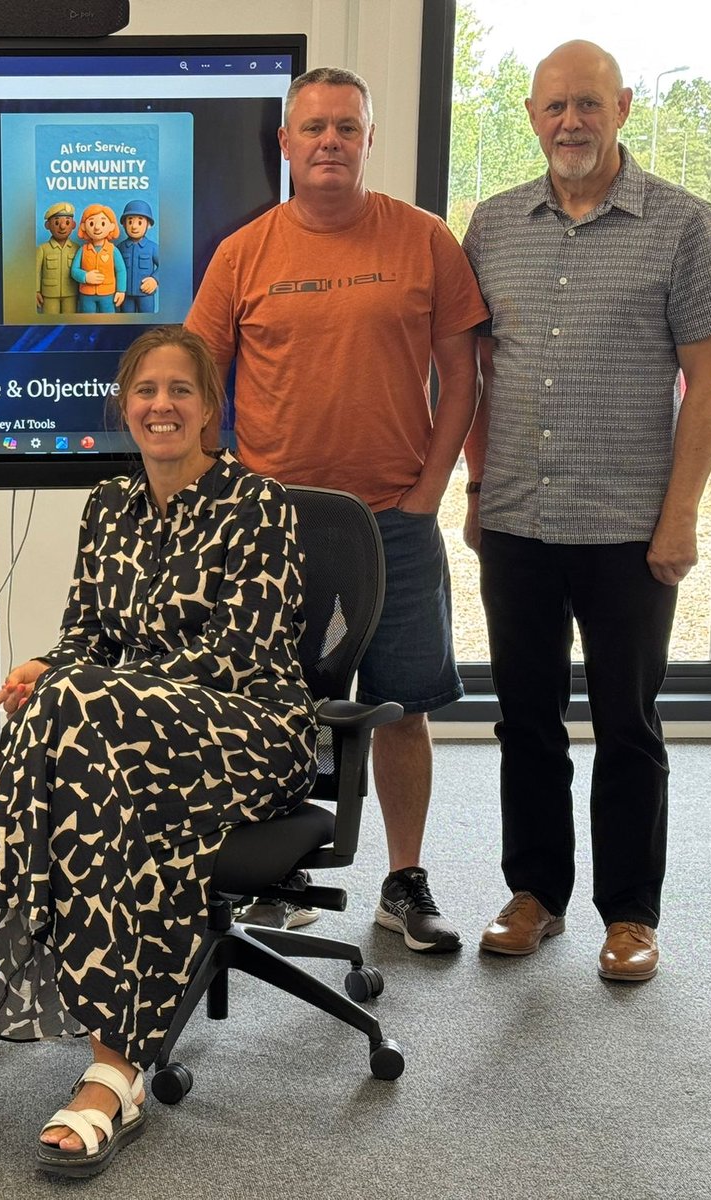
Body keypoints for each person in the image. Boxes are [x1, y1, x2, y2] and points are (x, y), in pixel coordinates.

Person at [0, 326, 316, 1179]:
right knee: (77, 728)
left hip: (247, 728)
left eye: (180, 391)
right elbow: (87, 635)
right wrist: (50, 667)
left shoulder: (257, 505)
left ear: (209, 409)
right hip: (121, 738)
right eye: (146, 391)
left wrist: (89, 689)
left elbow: (241, 655)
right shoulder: (110, 505)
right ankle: (114, 1071)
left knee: (78, 707)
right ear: (124, 406)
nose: (162, 406)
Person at [185, 66, 487, 953]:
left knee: (401, 708)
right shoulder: (245, 253)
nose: (329, 141)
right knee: (272, 707)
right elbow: (196, 384)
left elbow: (463, 377)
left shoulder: (424, 240)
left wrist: (432, 489)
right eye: (312, 127)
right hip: (278, 529)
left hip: (395, 517)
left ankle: (404, 881)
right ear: (284, 142)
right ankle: (279, 882)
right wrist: (218, 497)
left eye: (346, 127)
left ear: (366, 139)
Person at [461, 41, 711, 982]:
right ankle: (535, 894)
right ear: (532, 117)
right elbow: (475, 373)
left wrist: (682, 516)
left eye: (588, 104)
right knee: (524, 718)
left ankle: (632, 914)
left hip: (630, 525)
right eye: (554, 108)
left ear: (621, 106)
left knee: (628, 721)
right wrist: (476, 486)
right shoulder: (493, 224)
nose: (570, 122)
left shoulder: (680, 223)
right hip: (517, 519)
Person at [71, 202, 124, 313]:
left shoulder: (113, 250)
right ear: (83, 226)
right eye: (91, 224)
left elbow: (121, 271)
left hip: (107, 293)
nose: (97, 227)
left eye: (103, 223)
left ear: (111, 226)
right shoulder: (83, 250)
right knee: (87, 318)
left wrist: (121, 290)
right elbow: (74, 270)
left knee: (108, 318)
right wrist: (85, 276)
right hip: (86, 293)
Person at [35, 201, 80, 314]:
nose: (62, 226)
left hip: (71, 292)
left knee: (70, 321)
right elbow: (36, 272)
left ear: (73, 225)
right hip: (49, 294)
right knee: (50, 321)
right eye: (56, 222)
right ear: (47, 225)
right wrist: (35, 291)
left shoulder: (77, 248)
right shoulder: (42, 249)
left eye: (67, 222)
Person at [116, 199, 160, 313]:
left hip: (146, 294)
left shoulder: (153, 247)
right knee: (126, 321)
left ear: (148, 225)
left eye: (140, 222)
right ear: (124, 224)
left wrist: (155, 280)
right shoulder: (119, 248)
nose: (134, 227)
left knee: (147, 321)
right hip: (125, 294)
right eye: (130, 222)